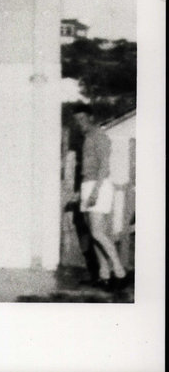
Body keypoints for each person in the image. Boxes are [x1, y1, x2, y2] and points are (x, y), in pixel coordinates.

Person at [73, 105, 129, 291]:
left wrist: (95, 192)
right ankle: (104, 275)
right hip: (88, 185)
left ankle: (120, 273)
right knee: (94, 234)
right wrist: (81, 191)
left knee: (98, 233)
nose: (80, 123)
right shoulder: (87, 138)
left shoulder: (99, 136)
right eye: (77, 120)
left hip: (99, 185)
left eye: (83, 118)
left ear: (91, 118)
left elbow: (104, 166)